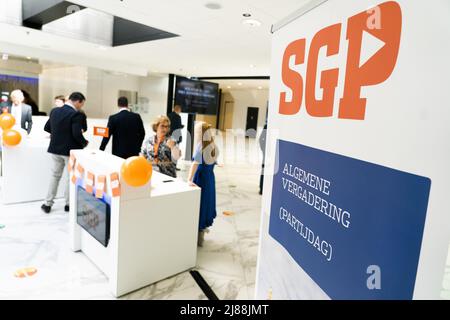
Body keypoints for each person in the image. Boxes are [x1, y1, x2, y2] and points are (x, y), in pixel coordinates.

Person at [41, 92, 89, 214]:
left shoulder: (55, 111)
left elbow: (47, 128)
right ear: (78, 101)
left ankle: (48, 204)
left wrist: (58, 132)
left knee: (55, 176)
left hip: (55, 149)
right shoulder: (76, 114)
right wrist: (84, 143)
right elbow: (76, 134)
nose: (81, 107)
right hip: (70, 151)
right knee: (70, 177)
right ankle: (69, 204)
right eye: (81, 104)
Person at [187, 122, 218, 247]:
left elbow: (195, 164)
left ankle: (197, 237)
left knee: (199, 204)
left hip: (200, 178)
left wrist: (189, 179)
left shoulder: (201, 146)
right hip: (210, 178)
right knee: (206, 203)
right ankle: (201, 236)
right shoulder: (213, 145)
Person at [259, 123, 267, 195]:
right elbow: (261, 139)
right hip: (267, 153)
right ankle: (261, 189)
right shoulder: (267, 125)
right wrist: (264, 150)